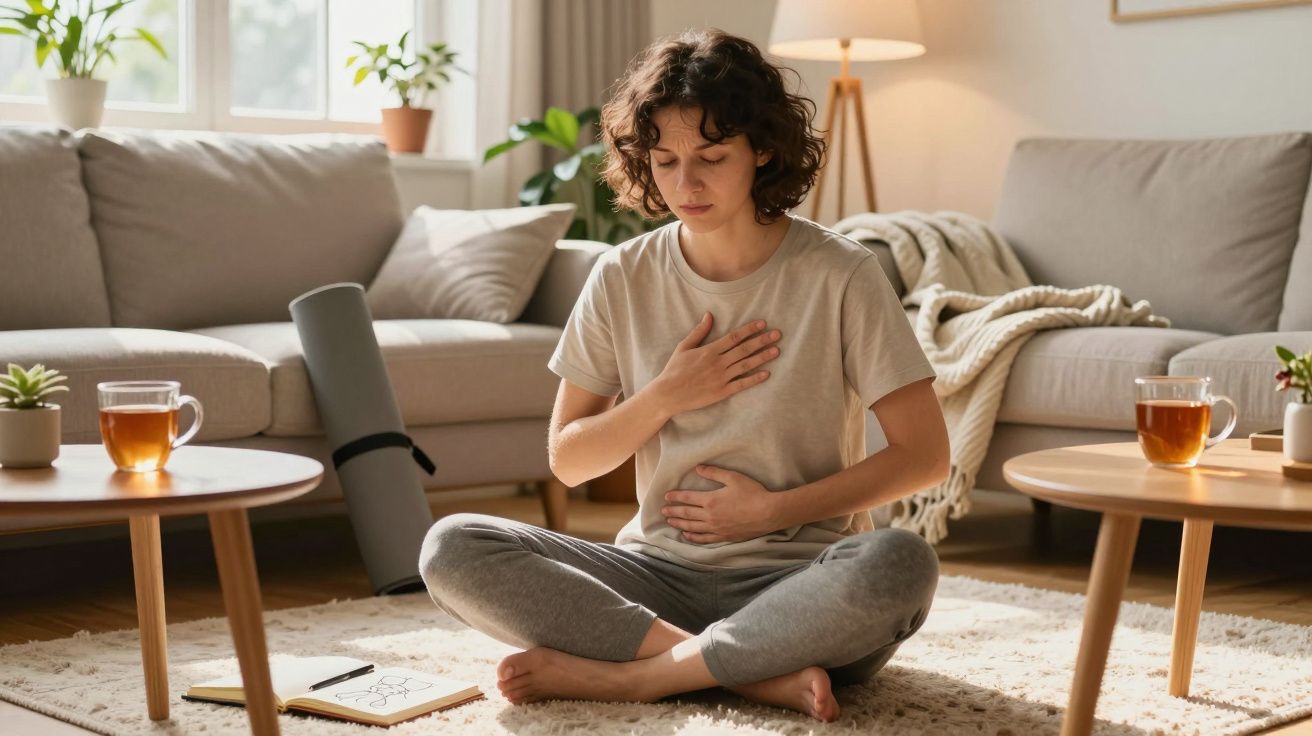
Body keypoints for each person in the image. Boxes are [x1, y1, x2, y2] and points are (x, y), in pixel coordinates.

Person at [419, 28, 949, 723]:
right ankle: (740, 671)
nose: (684, 184)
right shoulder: (622, 275)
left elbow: (926, 457)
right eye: (664, 160)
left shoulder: (840, 274)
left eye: (711, 157)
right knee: (451, 547)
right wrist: (668, 394)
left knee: (899, 565)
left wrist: (772, 511)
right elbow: (570, 460)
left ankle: (641, 679)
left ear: (763, 150)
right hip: (652, 580)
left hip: (803, 586)